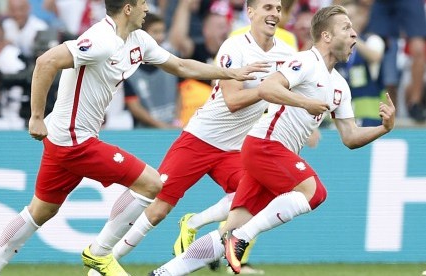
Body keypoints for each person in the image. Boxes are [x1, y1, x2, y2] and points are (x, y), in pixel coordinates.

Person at [0, 0, 267, 275]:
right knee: (151, 183)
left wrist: (232, 74)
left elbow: (180, 65)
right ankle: (100, 252)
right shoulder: (100, 40)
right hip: (75, 141)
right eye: (142, 4)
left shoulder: (138, 39)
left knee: (39, 211)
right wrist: (35, 116)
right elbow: (46, 61)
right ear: (127, 8)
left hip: (66, 140)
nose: (147, 9)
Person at [149, 5, 396, 275]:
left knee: (227, 232)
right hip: (265, 145)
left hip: (272, 154)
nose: (354, 36)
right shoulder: (304, 61)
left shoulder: (339, 86)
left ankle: (163, 272)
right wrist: (305, 103)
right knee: (315, 193)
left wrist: (384, 128)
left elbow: (350, 137)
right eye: (346, 28)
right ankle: (242, 238)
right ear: (326, 36)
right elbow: (267, 87)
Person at [107, 0, 294, 272]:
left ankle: (193, 224)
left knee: (255, 197)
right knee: (157, 210)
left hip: (233, 149)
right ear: (250, 12)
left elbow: (294, 93)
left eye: (277, 8)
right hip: (200, 139)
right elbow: (232, 100)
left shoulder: (288, 54)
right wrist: (268, 91)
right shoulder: (234, 46)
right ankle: (104, 262)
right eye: (267, 7)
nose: (274, 14)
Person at [123, 12, 180, 129]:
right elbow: (133, 105)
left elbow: (180, 92)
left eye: (162, 31)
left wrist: (176, 120)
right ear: (142, 35)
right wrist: (161, 126)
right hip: (144, 133)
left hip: (172, 126)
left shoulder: (172, 57)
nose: (161, 37)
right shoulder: (128, 67)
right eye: (155, 32)